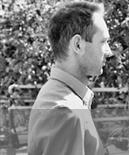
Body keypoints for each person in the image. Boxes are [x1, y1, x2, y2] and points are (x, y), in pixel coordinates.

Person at [28, 1, 111, 155]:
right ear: (78, 45)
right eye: (103, 42)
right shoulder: (64, 112)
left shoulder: (59, 95)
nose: (109, 51)